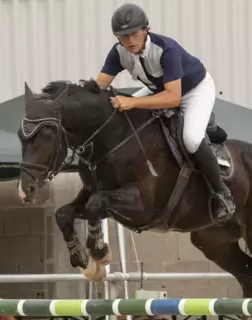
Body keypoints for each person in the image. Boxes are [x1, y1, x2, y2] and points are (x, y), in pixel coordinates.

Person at [95, 3, 235, 220]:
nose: (130, 41)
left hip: (193, 90)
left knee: (190, 139)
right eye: (123, 37)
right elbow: (98, 86)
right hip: (159, 89)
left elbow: (173, 98)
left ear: (146, 29)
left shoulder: (165, 49)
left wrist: (131, 102)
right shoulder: (118, 53)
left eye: (134, 34)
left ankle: (222, 194)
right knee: (121, 114)